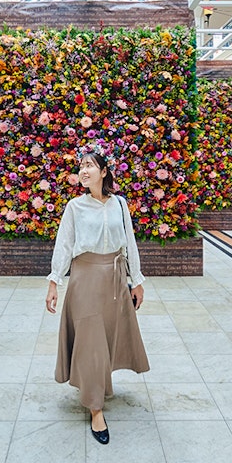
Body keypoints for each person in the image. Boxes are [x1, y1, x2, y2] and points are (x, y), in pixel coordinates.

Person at [45, 145, 149, 445]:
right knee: (90, 341)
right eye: (81, 166)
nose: (84, 170)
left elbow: (129, 242)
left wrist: (136, 280)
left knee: (107, 337)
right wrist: (54, 282)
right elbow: (64, 245)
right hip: (85, 278)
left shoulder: (119, 204)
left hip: (115, 281)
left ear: (103, 172)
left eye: (90, 165)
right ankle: (95, 408)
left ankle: (99, 384)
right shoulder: (75, 207)